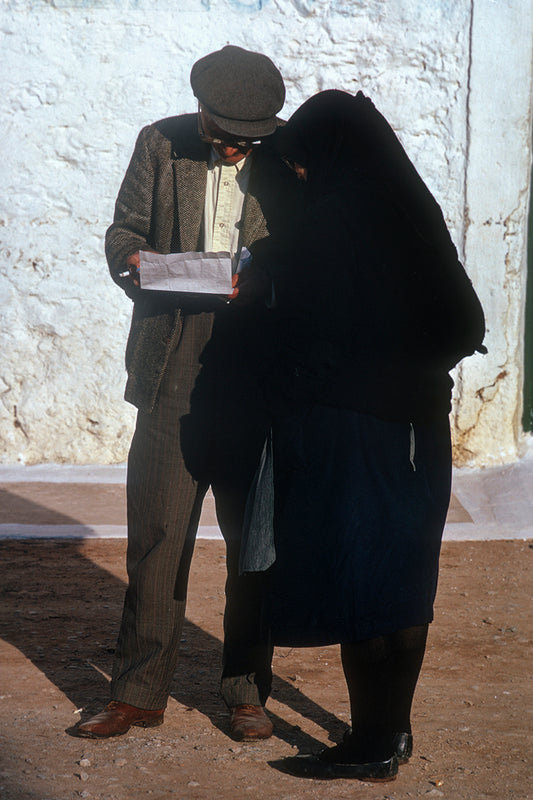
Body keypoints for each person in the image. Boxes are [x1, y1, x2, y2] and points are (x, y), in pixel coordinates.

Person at [250, 89, 486, 781]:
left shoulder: (334, 220)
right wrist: (407, 370)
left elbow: (311, 333)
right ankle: (388, 733)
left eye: (299, 163)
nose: (295, 175)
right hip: (414, 429)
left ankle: (373, 743)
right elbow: (463, 326)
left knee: (362, 582)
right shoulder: (411, 212)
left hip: (355, 427)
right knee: (401, 582)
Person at [77, 45, 288, 742]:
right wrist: (133, 261)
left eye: (248, 137)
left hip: (258, 374)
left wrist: (266, 282)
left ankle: (245, 691)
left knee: (252, 547)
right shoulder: (160, 143)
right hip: (173, 363)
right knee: (158, 537)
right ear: (199, 111)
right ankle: (138, 690)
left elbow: (309, 248)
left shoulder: (290, 156)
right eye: (225, 131)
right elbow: (123, 234)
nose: (234, 148)